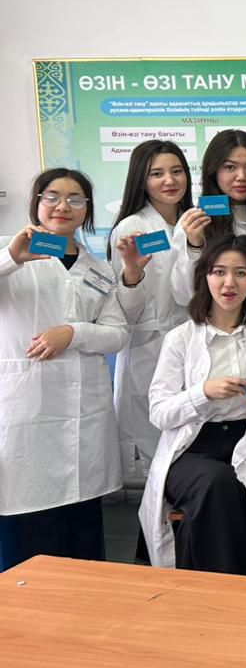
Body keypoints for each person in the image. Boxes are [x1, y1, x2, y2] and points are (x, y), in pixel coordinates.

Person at [0, 169, 128, 571]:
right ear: (36, 202)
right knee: (28, 523)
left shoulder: (98, 268)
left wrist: (73, 333)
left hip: (83, 416)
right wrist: (11, 259)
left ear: (87, 209)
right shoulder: (9, 252)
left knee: (82, 529)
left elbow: (117, 335)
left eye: (75, 199)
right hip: (27, 413)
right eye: (52, 196)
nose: (63, 206)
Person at [141, 235, 246, 573]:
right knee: (218, 484)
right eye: (218, 272)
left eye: (241, 273)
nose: (229, 283)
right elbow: (159, 412)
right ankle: (245, 584)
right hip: (192, 446)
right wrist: (203, 392)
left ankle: (212, 585)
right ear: (204, 277)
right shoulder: (181, 338)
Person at [110, 139, 194, 488]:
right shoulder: (131, 228)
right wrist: (133, 273)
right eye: (157, 174)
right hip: (148, 347)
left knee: (187, 440)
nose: (169, 180)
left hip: (190, 343)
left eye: (176, 171)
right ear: (141, 180)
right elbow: (124, 308)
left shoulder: (193, 222)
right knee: (151, 442)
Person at [170, 129, 246, 304]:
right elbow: (183, 296)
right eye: (230, 167)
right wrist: (194, 245)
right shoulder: (194, 220)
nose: (242, 177)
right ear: (213, 171)